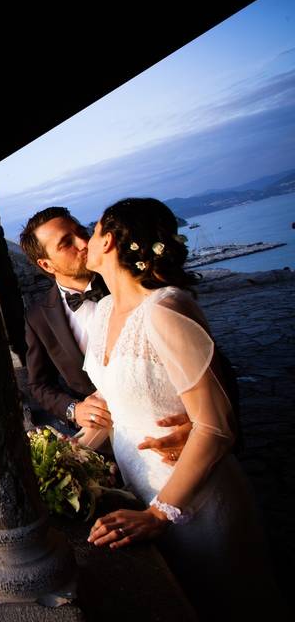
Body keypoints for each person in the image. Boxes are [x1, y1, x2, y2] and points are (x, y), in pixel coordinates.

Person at [80, 198, 282, 617]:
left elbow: (216, 425)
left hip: (195, 498)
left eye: (94, 230)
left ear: (112, 241)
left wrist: (159, 514)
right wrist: (73, 450)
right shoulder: (101, 312)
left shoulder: (165, 310)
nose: (86, 241)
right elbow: (118, 398)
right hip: (139, 487)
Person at [20, 207, 191, 454]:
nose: (83, 242)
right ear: (46, 264)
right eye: (67, 243)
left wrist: (198, 423)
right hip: (106, 443)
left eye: (81, 232)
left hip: (169, 425)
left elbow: (203, 358)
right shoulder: (38, 317)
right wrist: (73, 409)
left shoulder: (136, 284)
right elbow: (39, 384)